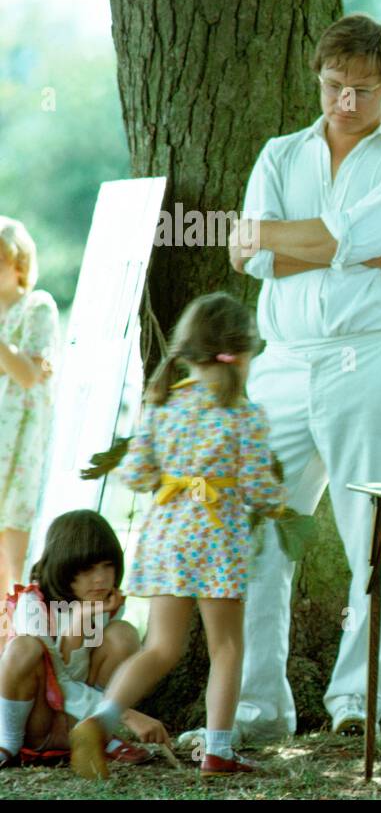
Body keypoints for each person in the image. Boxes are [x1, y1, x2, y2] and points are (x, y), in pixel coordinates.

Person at [226, 13, 381, 741]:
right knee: (257, 533)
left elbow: (283, 241)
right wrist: (345, 244)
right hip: (282, 362)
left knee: (372, 536)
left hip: (370, 358)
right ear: (317, 78)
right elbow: (246, 251)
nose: (346, 104)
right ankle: (257, 706)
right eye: (333, 87)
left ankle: (357, 704)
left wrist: (309, 240)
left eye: (364, 90)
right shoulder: (280, 155)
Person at [68, 293, 286, 779]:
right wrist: (278, 500)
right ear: (242, 354)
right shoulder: (245, 414)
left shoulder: (164, 403)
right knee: (226, 648)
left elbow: (136, 474)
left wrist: (174, 478)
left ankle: (100, 721)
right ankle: (218, 751)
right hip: (217, 543)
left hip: (168, 539)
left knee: (161, 648)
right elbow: (256, 486)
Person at [0, 510, 164, 769]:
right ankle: (7, 743)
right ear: (63, 566)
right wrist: (125, 714)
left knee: (122, 634)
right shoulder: (33, 604)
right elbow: (57, 681)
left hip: (72, 724)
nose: (100, 578)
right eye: (87, 569)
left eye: (107, 565)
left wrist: (83, 617)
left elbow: (75, 674)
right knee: (24, 647)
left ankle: (96, 732)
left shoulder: (102, 602)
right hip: (34, 722)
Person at [0, 217, 58, 600]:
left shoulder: (36, 306)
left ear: (18, 264)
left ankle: (13, 635)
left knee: (12, 555)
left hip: (20, 443)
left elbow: (28, 374)